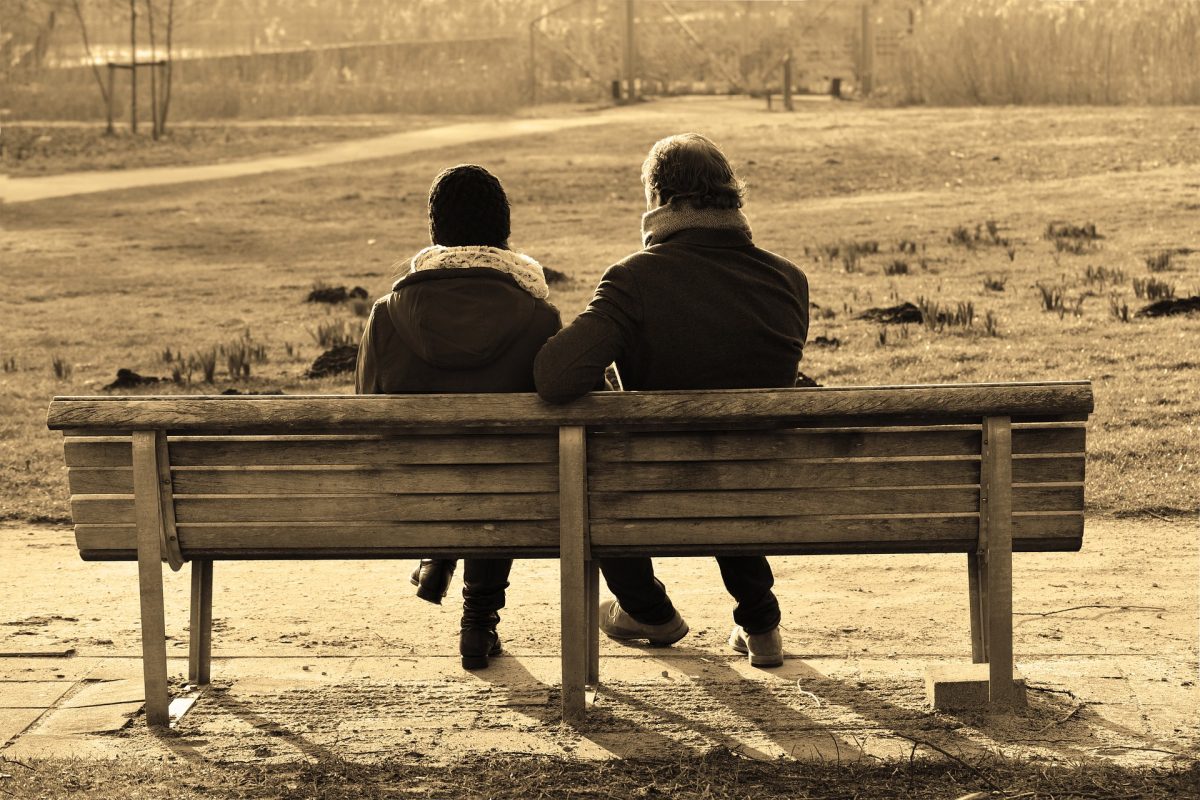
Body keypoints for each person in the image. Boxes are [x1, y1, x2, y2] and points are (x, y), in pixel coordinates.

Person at [533, 133, 809, 667]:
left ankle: (648, 611)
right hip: (765, 488)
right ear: (732, 199)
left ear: (660, 199)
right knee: (732, 446)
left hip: (654, 488)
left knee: (596, 462)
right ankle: (761, 622)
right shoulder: (789, 280)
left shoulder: (634, 278)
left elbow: (554, 375)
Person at [356, 164, 561, 670]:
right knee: (500, 470)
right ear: (504, 232)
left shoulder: (387, 312)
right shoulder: (538, 314)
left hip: (415, 493)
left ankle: (439, 553)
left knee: (455, 468)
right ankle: (479, 620)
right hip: (509, 492)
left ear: (435, 232)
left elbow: (364, 406)